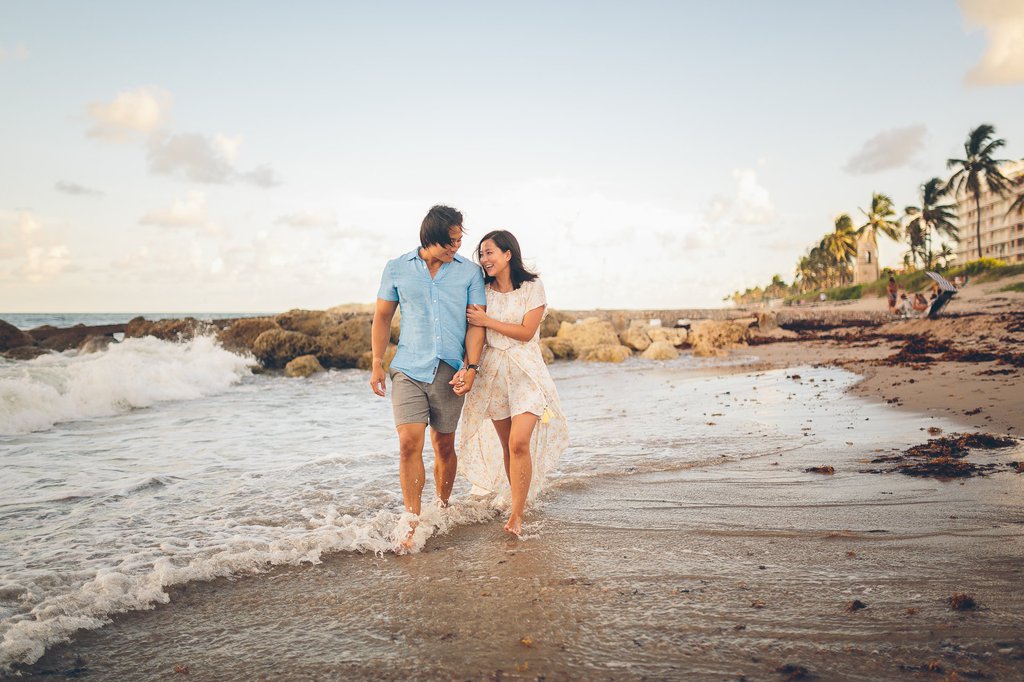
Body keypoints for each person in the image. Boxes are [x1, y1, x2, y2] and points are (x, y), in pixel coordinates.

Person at [369, 205, 486, 548]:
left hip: (451, 370)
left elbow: (476, 324)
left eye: (459, 241)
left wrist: (472, 367)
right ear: (431, 238)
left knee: (443, 445)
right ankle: (411, 520)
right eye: (450, 242)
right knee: (408, 444)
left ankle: (443, 506)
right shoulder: (396, 269)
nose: (456, 248)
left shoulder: (469, 273)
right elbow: (381, 318)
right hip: (408, 368)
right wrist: (377, 361)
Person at [457, 230, 569, 537]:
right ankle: (516, 501)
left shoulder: (532, 287)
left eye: (490, 252)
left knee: (519, 442)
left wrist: (488, 321)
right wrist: (467, 367)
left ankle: (517, 515)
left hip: (526, 370)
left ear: (508, 254)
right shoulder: (482, 290)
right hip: (493, 374)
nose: (484, 259)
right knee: (509, 447)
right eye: (481, 254)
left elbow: (526, 332)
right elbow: (474, 334)